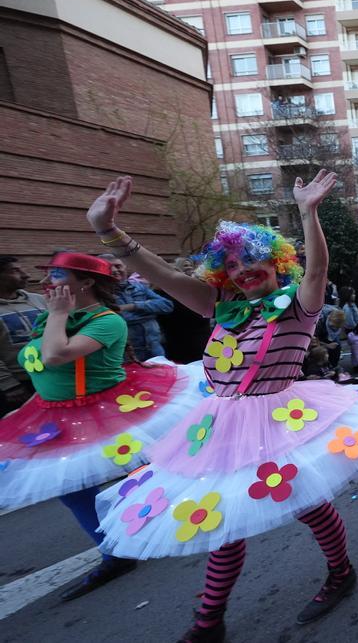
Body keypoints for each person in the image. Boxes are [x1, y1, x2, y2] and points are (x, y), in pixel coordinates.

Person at [86, 173, 358, 641]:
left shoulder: (297, 305)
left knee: (308, 505)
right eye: (233, 264)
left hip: (279, 419)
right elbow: (168, 277)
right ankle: (208, 622)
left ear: (277, 262)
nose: (243, 269)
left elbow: (316, 271)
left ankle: (341, 573)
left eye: (253, 258)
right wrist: (109, 232)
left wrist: (308, 213)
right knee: (222, 520)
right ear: (222, 273)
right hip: (220, 426)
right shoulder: (220, 306)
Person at [0, 252, 194, 600]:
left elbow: (55, 356)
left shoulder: (107, 321)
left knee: (145, 469)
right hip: (54, 413)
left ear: (85, 282)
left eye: (57, 275)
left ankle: (166, 520)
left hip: (105, 409)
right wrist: (28, 408)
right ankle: (115, 552)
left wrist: (58, 314)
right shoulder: (52, 317)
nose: (47, 282)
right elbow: (44, 371)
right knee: (70, 487)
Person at [0, 255, 48, 413]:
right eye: (15, 271)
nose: (26, 275)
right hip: (19, 384)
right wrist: (9, 385)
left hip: (52, 376)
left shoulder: (39, 300)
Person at [106, 256, 173, 361]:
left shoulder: (139, 287)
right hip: (127, 355)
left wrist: (133, 306)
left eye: (118, 266)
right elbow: (120, 320)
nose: (114, 270)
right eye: (109, 267)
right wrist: (149, 312)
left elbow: (167, 305)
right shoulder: (102, 293)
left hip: (156, 349)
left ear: (125, 267)